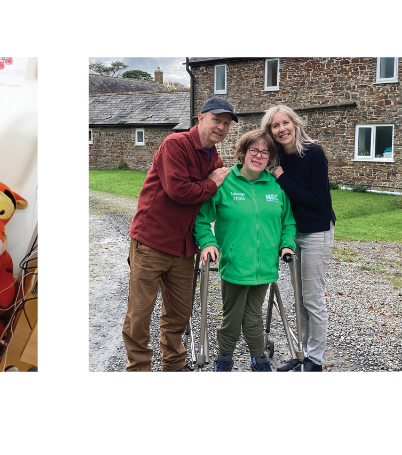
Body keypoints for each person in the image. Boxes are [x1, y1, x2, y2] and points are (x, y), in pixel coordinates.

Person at [123, 96, 234, 372]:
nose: (220, 127)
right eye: (216, 120)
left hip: (185, 248)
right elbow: (179, 191)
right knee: (140, 313)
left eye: (226, 123)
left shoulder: (215, 157)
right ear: (201, 118)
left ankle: (173, 364)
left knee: (179, 313)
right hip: (151, 242)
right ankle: (138, 366)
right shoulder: (176, 144)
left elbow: (212, 201)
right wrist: (212, 182)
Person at [194, 128, 296, 372]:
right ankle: (224, 359)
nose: (259, 156)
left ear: (270, 158)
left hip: (264, 267)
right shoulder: (225, 181)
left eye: (265, 152)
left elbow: (288, 222)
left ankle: (258, 359)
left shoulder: (276, 186)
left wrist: (286, 245)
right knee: (232, 319)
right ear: (243, 152)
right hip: (236, 264)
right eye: (254, 150)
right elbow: (201, 219)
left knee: (254, 316)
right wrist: (208, 242)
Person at [264, 104, 336, 372]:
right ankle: (302, 353)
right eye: (275, 125)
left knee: (312, 298)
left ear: (295, 124)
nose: (282, 129)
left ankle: (315, 360)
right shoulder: (277, 158)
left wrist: (283, 179)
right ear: (270, 131)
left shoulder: (314, 153)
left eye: (285, 123)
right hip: (293, 234)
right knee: (299, 299)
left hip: (317, 232)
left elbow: (317, 201)